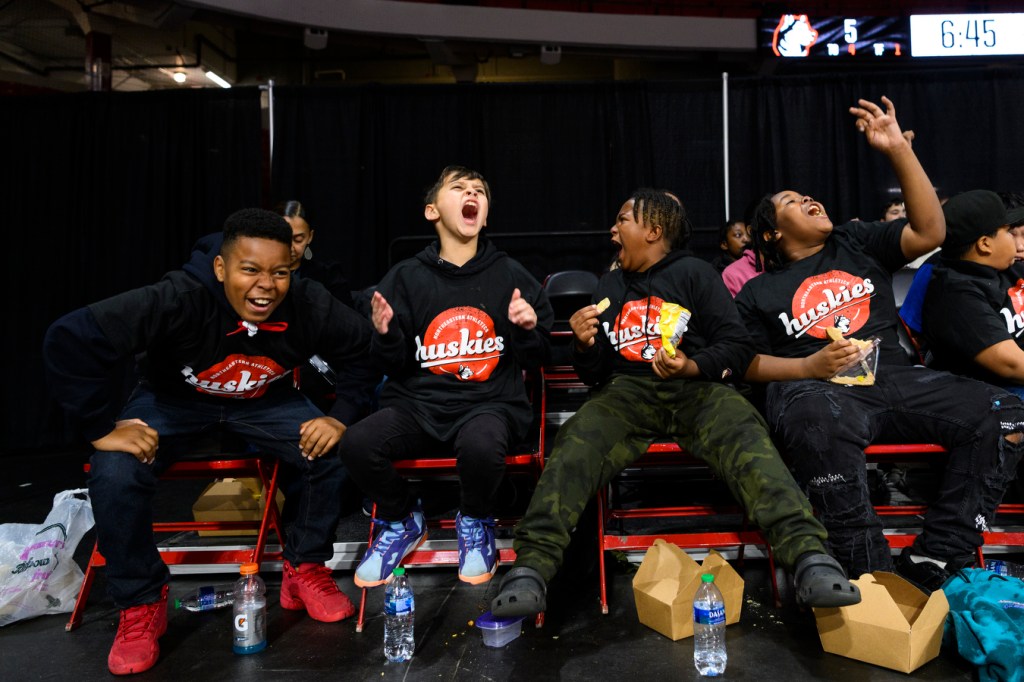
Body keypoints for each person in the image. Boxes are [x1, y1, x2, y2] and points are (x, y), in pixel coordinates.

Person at [490, 188, 860, 618]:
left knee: (746, 434)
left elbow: (737, 348)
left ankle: (810, 558)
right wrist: (583, 344)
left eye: (622, 220)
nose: (613, 229)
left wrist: (691, 365)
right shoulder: (610, 283)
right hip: (627, 393)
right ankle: (531, 569)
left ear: (653, 230)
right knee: (576, 439)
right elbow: (595, 374)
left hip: (697, 391)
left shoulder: (694, 274)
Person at [43, 209, 372, 675]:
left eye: (279, 272)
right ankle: (140, 601)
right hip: (173, 402)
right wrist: (100, 429)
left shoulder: (310, 303)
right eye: (250, 270)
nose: (266, 286)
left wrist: (340, 418)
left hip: (265, 401)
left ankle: (305, 567)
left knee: (334, 449)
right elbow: (69, 338)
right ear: (221, 268)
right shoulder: (179, 297)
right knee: (113, 470)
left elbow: (362, 352)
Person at [735, 96, 1024, 593]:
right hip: (820, 389)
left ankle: (938, 556)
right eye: (791, 202)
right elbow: (742, 362)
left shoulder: (855, 241)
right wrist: (809, 368)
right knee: (814, 420)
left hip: (893, 376)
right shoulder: (757, 291)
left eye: (807, 194)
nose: (808, 199)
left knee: (1005, 412)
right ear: (772, 232)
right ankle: (870, 576)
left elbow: (931, 229)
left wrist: (897, 150)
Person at [339, 165, 553, 588]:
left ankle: (474, 519)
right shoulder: (406, 276)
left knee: (481, 445)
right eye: (459, 188)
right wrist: (385, 334)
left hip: (488, 404)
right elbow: (392, 364)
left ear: (485, 215)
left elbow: (541, 356)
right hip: (418, 405)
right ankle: (401, 520)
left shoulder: (511, 274)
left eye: (479, 191)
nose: (472, 193)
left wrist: (528, 330)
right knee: (357, 443)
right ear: (432, 211)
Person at [921, 190, 1024, 398]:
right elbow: (1012, 365)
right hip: (994, 395)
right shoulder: (956, 295)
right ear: (985, 244)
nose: (1018, 244)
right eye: (1009, 233)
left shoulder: (1007, 269)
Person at [276, 199, 354, 307]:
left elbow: (347, 318)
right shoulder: (260, 273)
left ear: (310, 237)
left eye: (298, 240)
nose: (291, 247)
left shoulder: (328, 275)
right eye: (284, 238)